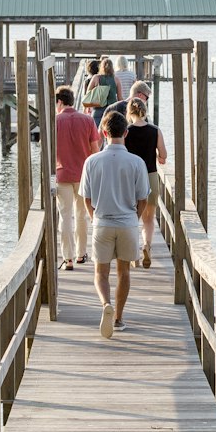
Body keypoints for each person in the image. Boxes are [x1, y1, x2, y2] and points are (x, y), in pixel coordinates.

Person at [79, 110, 149, 337]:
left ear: (103, 132)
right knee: (124, 272)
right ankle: (118, 318)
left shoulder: (91, 161)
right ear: (126, 133)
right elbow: (143, 198)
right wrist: (134, 218)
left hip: (102, 222)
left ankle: (104, 305)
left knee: (100, 273)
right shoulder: (136, 162)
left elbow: (86, 197)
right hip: (128, 222)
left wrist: (93, 217)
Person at [54, 87, 99, 270]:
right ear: (72, 100)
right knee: (82, 215)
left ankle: (68, 258)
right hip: (84, 176)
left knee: (65, 216)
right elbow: (95, 150)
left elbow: (47, 150)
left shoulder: (55, 121)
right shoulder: (88, 120)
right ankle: (81, 254)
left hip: (62, 173)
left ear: (59, 102)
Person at [125, 96, 167, 269]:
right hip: (150, 177)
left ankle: (134, 255)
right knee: (148, 219)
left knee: (132, 218)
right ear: (144, 111)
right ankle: (147, 246)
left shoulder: (126, 131)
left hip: (131, 179)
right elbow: (163, 157)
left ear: (129, 112)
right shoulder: (155, 130)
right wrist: (155, 156)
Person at [89, 57, 119, 127]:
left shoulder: (96, 77)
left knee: (96, 134)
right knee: (110, 132)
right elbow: (120, 98)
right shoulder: (116, 79)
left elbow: (88, 93)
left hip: (97, 110)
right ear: (112, 67)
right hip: (112, 110)